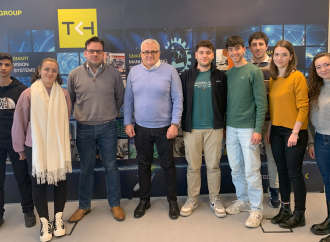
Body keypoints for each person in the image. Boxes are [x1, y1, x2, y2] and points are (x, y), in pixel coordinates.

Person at [12, 58, 72, 242]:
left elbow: (66, 119)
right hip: (35, 146)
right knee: (38, 183)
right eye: (46, 69)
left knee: (60, 181)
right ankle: (45, 223)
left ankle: (58, 218)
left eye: (54, 70)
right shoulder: (28, 94)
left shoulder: (63, 94)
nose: (50, 73)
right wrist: (20, 148)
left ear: (57, 73)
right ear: (39, 70)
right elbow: (19, 122)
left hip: (58, 144)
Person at [67, 36, 125, 223]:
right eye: (91, 51)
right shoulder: (74, 74)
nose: (95, 54)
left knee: (111, 167)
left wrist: (109, 114)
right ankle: (84, 206)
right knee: (86, 169)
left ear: (104, 53)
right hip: (84, 128)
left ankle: (115, 204)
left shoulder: (114, 74)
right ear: (85, 53)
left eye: (98, 51)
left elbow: (119, 99)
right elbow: (71, 100)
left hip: (108, 126)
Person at [124, 39, 183, 220]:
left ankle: (172, 201)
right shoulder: (134, 72)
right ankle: (144, 200)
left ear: (159, 53)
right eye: (145, 52)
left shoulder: (170, 71)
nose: (149, 55)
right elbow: (128, 100)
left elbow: (178, 99)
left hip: (165, 128)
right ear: (140, 54)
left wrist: (175, 124)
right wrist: (128, 122)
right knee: (143, 166)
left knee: (168, 166)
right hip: (141, 127)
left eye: (153, 52)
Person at [179, 40, 227, 217]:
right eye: (201, 52)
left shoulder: (220, 76)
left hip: (214, 128)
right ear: (196, 55)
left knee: (214, 166)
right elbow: (179, 101)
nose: (204, 55)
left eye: (208, 52)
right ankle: (192, 199)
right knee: (193, 167)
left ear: (213, 55)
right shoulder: (186, 76)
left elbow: (225, 102)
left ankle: (215, 198)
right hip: (191, 129)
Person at [265, 40, 309, 229]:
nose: (280, 58)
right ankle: (285, 209)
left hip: (294, 132)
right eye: (276, 54)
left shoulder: (297, 76)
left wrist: (295, 132)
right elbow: (275, 108)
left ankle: (300, 214)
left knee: (294, 174)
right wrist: (269, 129)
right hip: (276, 131)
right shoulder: (274, 78)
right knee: (281, 172)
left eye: (284, 54)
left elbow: (304, 107)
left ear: (291, 56)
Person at [224, 35, 267, 228]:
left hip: (249, 129)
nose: (234, 52)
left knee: (252, 170)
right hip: (231, 128)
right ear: (228, 52)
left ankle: (257, 209)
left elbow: (261, 102)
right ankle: (243, 200)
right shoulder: (228, 74)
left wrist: (258, 129)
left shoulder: (253, 72)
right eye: (230, 49)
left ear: (244, 49)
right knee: (236, 168)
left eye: (237, 48)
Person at [0, 53, 35, 228]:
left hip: (16, 142)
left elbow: (27, 119)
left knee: (22, 178)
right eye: (0, 64)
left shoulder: (21, 90)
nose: (3, 67)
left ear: (12, 67)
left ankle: (28, 211)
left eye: (7, 64)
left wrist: (22, 143)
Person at [248, 32, 280, 208]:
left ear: (267, 46)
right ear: (249, 48)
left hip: (271, 121)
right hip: (249, 121)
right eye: (254, 44)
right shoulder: (245, 67)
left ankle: (274, 189)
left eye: (261, 44)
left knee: (273, 157)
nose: (258, 47)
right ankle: (251, 191)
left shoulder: (276, 66)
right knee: (250, 159)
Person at [307, 52, 330, 241]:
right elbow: (308, 118)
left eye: (327, 65)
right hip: (321, 140)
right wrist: (312, 141)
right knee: (328, 182)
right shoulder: (315, 88)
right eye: (319, 67)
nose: (323, 69)